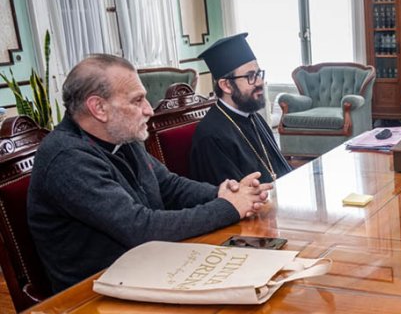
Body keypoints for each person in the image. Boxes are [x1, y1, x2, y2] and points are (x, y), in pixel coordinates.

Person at [28, 54, 271, 294]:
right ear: (99, 108)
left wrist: (224, 192)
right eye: (137, 101)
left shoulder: (120, 137)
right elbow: (141, 229)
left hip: (148, 270)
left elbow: (169, 186)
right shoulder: (67, 158)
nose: (149, 110)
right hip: (94, 296)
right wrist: (228, 207)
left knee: (262, 273)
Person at [190, 33, 291, 185]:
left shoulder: (253, 117)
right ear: (226, 85)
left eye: (258, 74)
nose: (259, 82)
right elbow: (231, 200)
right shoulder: (211, 137)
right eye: (250, 76)